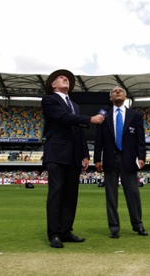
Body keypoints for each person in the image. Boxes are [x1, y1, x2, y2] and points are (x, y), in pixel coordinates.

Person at [41, 69, 105, 248]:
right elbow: (63, 118)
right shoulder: (49, 100)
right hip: (56, 153)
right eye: (61, 78)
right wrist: (89, 119)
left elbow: (79, 131)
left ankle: (66, 231)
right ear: (53, 85)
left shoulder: (75, 105)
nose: (65, 79)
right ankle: (54, 234)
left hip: (74, 156)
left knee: (71, 195)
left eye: (67, 78)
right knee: (56, 193)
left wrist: (85, 154)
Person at [94, 86, 148, 239]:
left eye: (120, 91)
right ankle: (114, 228)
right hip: (110, 159)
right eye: (114, 91)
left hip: (129, 159)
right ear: (110, 98)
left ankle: (138, 225)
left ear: (125, 97)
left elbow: (140, 139)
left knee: (133, 193)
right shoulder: (103, 115)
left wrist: (141, 157)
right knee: (111, 195)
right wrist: (97, 158)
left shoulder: (135, 115)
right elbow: (99, 139)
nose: (117, 92)